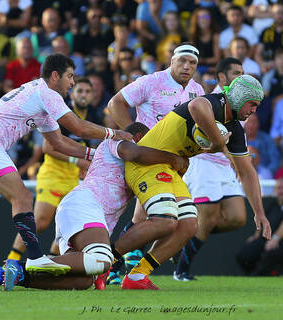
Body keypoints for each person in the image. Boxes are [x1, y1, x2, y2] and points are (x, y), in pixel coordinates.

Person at [0, 53, 132, 281]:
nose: (72, 82)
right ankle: (34, 257)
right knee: (22, 197)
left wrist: (96, 154)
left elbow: (60, 143)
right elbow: (79, 128)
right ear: (55, 76)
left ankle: (29, 260)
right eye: (70, 76)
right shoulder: (45, 92)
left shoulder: (39, 98)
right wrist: (114, 133)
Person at [0, 122, 188, 291]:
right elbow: (136, 153)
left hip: (87, 215)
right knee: (101, 260)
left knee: (83, 280)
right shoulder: (117, 144)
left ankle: (13, 275)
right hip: (84, 205)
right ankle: (19, 264)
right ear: (139, 137)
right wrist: (173, 159)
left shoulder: (138, 167)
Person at [111, 75, 271, 290]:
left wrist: (259, 213)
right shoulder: (216, 102)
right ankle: (107, 262)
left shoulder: (234, 129)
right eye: (252, 104)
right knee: (165, 220)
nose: (253, 110)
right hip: (146, 162)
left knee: (188, 225)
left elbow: (248, 172)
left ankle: (137, 276)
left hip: (170, 167)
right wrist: (220, 144)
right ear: (240, 97)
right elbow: (196, 105)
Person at [107, 43, 204, 284]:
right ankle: (111, 265)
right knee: (158, 219)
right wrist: (131, 136)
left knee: (158, 221)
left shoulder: (197, 90)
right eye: (182, 61)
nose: (186, 66)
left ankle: (129, 270)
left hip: (173, 164)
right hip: (147, 160)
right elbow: (115, 103)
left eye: (192, 63)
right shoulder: (152, 81)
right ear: (171, 61)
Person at [171, 57, 247, 281]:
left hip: (226, 167)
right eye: (236, 73)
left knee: (237, 218)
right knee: (208, 219)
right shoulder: (210, 101)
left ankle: (180, 239)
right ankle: (181, 270)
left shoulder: (239, 102)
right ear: (222, 77)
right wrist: (226, 151)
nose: (240, 77)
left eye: (242, 73)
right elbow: (201, 140)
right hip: (204, 166)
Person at [6, 77, 95, 261]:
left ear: (92, 95)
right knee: (40, 221)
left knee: (69, 226)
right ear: (72, 94)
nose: (83, 95)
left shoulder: (94, 117)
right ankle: (12, 261)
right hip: (52, 175)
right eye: (80, 91)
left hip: (73, 180)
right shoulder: (64, 115)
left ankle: (54, 261)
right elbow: (47, 148)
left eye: (87, 91)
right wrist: (77, 161)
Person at [236, 178, 283, 276]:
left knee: (271, 254)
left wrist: (275, 239)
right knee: (245, 253)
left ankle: (258, 275)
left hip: (278, 242)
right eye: (279, 188)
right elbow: (263, 221)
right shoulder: (272, 205)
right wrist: (255, 236)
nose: (281, 191)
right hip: (265, 238)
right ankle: (251, 275)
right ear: (274, 190)